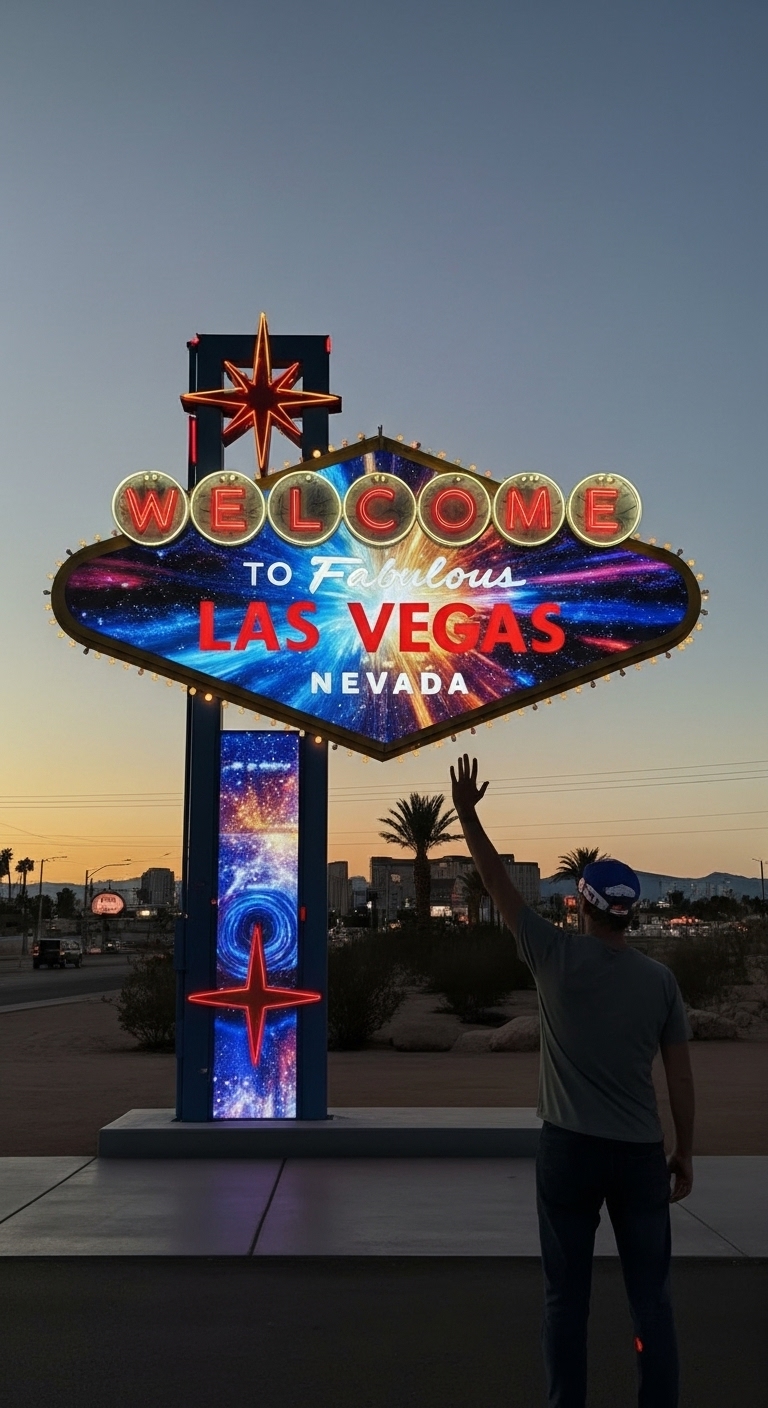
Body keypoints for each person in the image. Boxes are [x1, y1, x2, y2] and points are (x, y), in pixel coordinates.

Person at [450, 754, 694, 1408]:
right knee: (652, 1302)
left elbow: (498, 883)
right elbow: (680, 1078)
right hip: (641, 1155)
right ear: (630, 914)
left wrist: (469, 813)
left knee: (565, 1300)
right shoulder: (660, 982)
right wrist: (685, 1151)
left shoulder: (552, 956)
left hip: (568, 1152)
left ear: (581, 907)